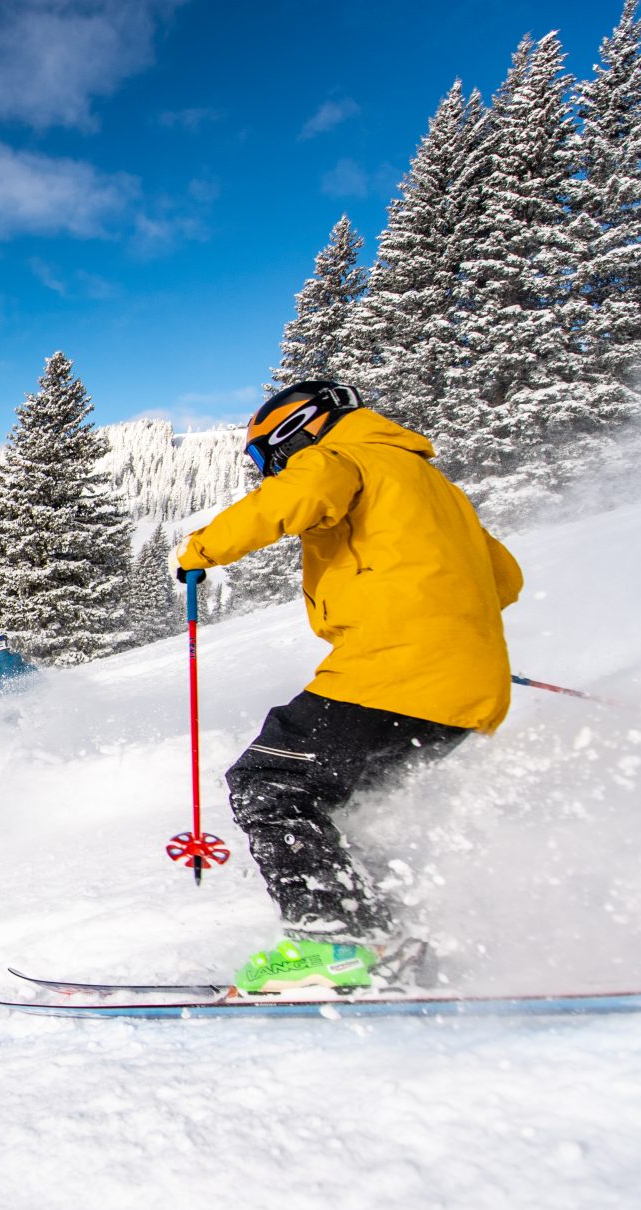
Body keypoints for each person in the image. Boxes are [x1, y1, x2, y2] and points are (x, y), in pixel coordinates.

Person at [174, 381, 522, 993]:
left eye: (263, 457)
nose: (267, 471)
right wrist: (446, 626)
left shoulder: (340, 456)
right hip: (466, 685)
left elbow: (296, 496)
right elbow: (504, 578)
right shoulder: (434, 485)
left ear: (296, 428)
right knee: (352, 808)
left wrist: (202, 549)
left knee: (268, 781)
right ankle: (385, 942)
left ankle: (332, 940)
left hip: (395, 669)